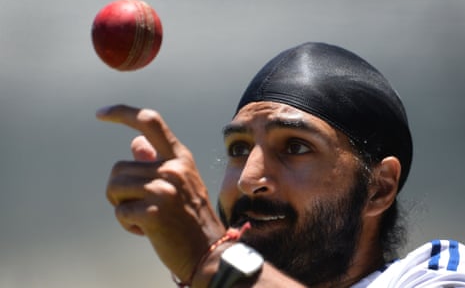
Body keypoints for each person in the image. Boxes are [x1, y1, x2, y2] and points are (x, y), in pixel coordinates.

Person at [96, 42, 465, 287]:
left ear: (379, 187)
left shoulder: (436, 273)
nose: (249, 178)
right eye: (239, 149)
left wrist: (209, 254)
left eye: (295, 146)